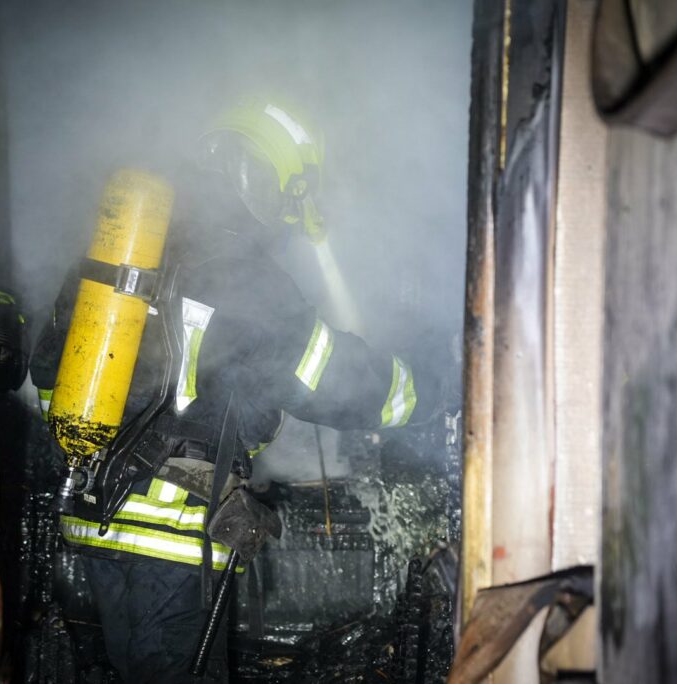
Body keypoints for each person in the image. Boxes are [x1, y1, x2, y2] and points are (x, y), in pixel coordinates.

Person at [29, 97, 440, 682]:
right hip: (171, 545)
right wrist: (437, 390)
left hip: (94, 527)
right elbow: (333, 381)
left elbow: (46, 371)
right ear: (267, 182)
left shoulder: (122, 253)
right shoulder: (238, 270)